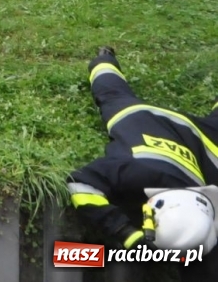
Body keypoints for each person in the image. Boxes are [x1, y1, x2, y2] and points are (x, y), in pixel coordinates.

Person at [67, 48, 218, 253]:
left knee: (112, 92)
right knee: (110, 93)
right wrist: (126, 232)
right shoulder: (135, 171)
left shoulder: (140, 172)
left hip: (197, 139)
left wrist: (128, 235)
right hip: (153, 124)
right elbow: (80, 183)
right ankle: (103, 59)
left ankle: (104, 58)